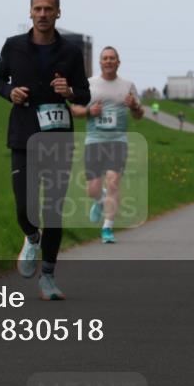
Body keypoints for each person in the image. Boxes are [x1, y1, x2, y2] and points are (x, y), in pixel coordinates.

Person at [0, 0, 90, 300]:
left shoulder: (71, 52)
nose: (43, 14)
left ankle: (48, 277)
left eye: (49, 9)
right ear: (30, 12)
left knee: (54, 209)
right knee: (24, 206)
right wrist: (10, 93)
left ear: (58, 13)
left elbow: (85, 94)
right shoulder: (14, 46)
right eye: (38, 8)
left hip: (58, 138)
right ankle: (32, 237)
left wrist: (70, 90)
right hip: (23, 135)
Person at [70, 46, 143, 244]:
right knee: (92, 189)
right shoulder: (89, 84)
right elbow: (74, 109)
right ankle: (100, 201)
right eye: (105, 58)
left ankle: (107, 229)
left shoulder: (128, 86)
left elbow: (139, 116)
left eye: (112, 58)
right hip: (94, 141)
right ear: (100, 62)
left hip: (118, 141)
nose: (109, 61)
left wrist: (134, 106)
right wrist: (88, 111)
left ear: (118, 62)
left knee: (112, 181)